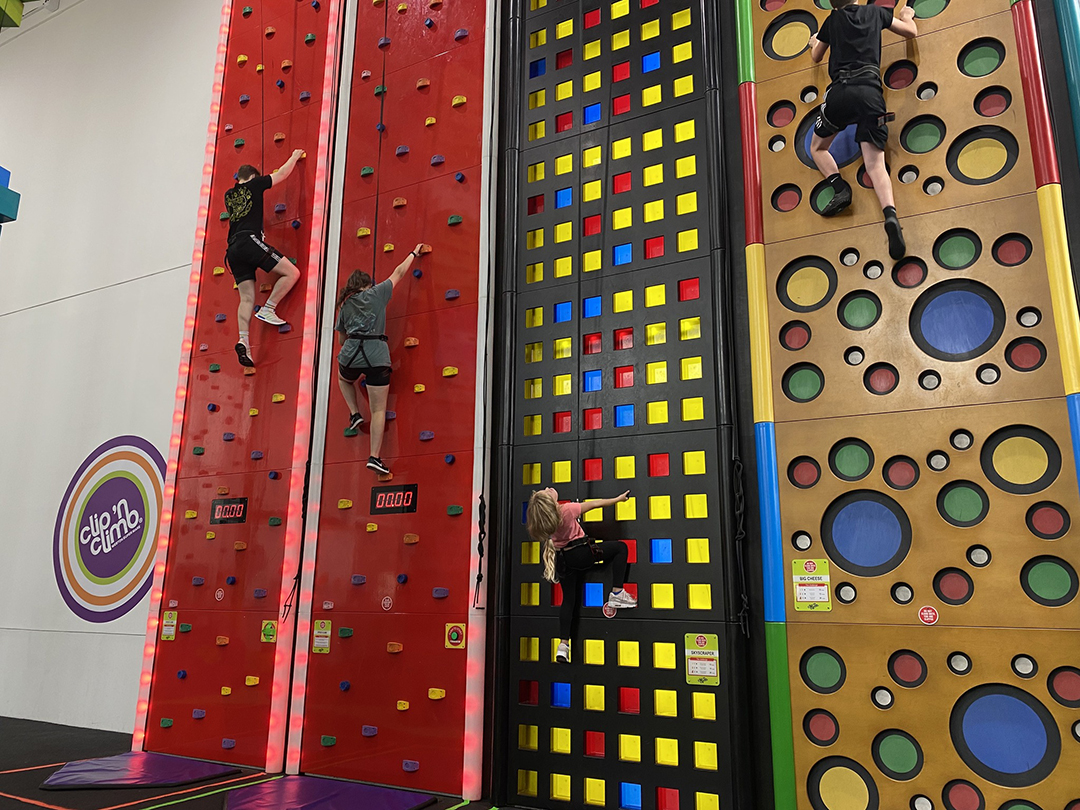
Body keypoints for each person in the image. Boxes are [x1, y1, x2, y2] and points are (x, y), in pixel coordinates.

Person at [808, 0, 918, 260]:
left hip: (839, 94)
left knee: (817, 147)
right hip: (869, 92)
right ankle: (890, 215)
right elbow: (910, 32)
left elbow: (816, 56)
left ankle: (840, 188)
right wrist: (907, 15)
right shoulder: (876, 13)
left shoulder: (832, 21)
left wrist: (815, 42)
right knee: (875, 164)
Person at [334, 244, 424, 476]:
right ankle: (374, 457)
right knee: (378, 410)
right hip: (377, 356)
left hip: (351, 354)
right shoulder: (378, 293)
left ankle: (354, 412)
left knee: (343, 379)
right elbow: (399, 272)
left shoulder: (344, 306)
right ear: (367, 285)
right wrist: (413, 253)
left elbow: (342, 340)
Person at [526, 487, 637, 664]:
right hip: (581, 555)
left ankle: (563, 645)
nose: (548, 488)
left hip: (563, 561)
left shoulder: (545, 521)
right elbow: (595, 504)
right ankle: (617, 592)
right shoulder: (566, 510)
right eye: (547, 492)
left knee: (568, 600)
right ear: (551, 503)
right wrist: (618, 499)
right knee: (620, 549)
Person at [224, 150, 305, 367]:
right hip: (248, 241)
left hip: (232, 250)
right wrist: (294, 156)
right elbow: (282, 174)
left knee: (247, 299)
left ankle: (244, 341)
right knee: (292, 272)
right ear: (252, 177)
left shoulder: (229, 196)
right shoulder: (256, 184)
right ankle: (269, 308)